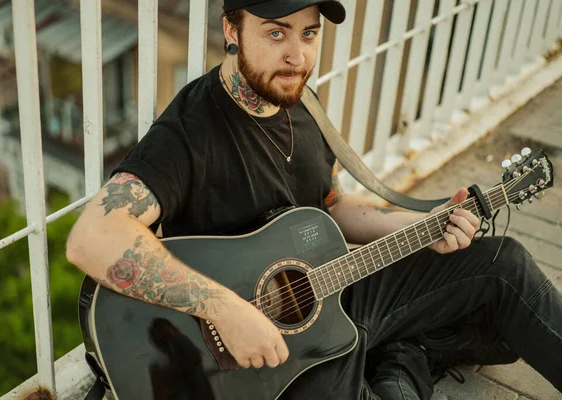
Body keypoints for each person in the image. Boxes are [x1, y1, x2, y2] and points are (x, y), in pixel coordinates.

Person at [66, 0, 562, 398]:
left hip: (334, 285)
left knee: (505, 268)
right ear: (232, 29)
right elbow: (92, 239)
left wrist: (426, 226)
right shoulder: (189, 131)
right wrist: (225, 310)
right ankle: (400, 360)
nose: (297, 56)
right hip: (259, 354)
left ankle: (396, 357)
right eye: (276, 33)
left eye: (309, 34)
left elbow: (329, 206)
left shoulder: (302, 101)